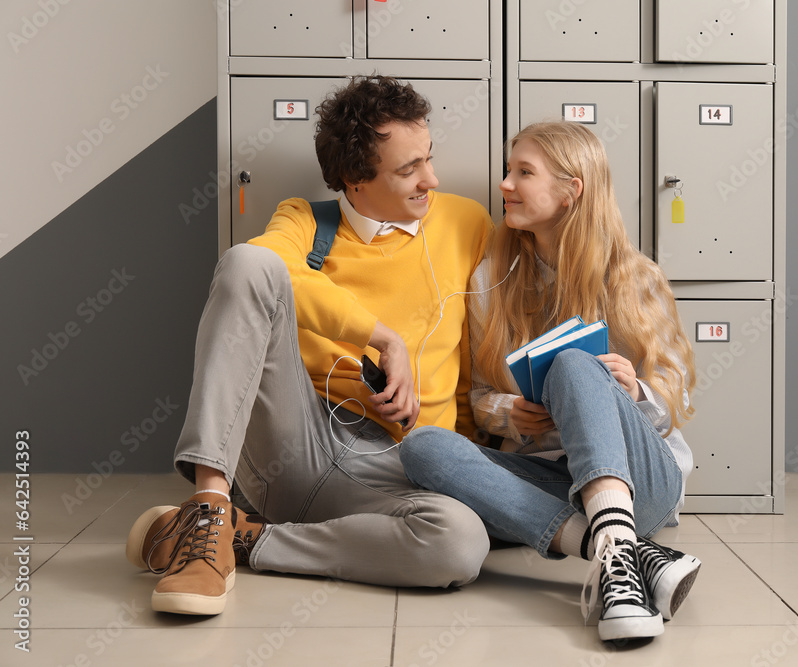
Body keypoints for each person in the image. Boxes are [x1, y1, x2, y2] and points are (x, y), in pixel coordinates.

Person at [125, 75, 493, 616]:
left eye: (428, 158)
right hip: (296, 447)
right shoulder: (303, 220)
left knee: (459, 543)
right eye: (408, 169)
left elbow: (486, 344)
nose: (430, 180)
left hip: (400, 467)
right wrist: (381, 336)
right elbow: (261, 269)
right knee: (250, 263)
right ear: (354, 180)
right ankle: (207, 507)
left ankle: (243, 539)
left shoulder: (467, 223)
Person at [400, 121, 701, 642]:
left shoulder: (635, 277)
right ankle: (624, 554)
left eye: (524, 173)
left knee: (572, 363)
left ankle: (617, 546)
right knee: (422, 449)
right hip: (555, 479)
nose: (505, 185)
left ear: (571, 191)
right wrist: (507, 414)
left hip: (643, 483)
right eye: (507, 170)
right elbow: (479, 396)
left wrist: (632, 393)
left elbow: (676, 399)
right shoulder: (491, 280)